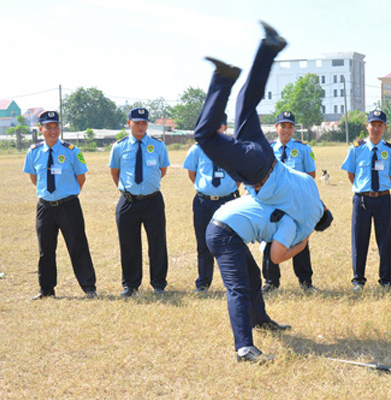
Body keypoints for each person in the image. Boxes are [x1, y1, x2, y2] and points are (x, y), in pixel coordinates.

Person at [193, 21, 332, 363]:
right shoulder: (298, 223)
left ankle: (269, 47)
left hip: (264, 154)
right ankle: (222, 78)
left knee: (247, 100)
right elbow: (277, 256)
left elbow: (295, 180)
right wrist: (303, 240)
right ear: (317, 223)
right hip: (257, 172)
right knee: (205, 137)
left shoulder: (312, 188)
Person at [23, 111, 97, 300]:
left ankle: (89, 287)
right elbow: (35, 178)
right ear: (41, 129)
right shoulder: (33, 152)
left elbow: (81, 178)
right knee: (45, 249)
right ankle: (46, 289)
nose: (53, 130)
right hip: (45, 207)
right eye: (48, 127)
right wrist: (49, 194)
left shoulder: (73, 151)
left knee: (78, 246)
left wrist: (67, 194)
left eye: (56, 126)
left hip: (68, 205)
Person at [109, 107, 171, 296]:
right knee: (129, 244)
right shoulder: (119, 147)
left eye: (144, 123)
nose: (140, 126)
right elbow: (115, 172)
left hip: (153, 201)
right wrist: (128, 190)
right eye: (136, 122)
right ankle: (131, 285)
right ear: (129, 123)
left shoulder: (158, 145)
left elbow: (162, 170)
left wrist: (148, 186)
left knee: (157, 243)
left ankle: (159, 283)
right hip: (129, 202)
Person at [341, 110, 391, 292]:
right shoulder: (356, 148)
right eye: (373, 125)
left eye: (380, 125)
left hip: (383, 198)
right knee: (360, 240)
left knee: (384, 240)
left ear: (384, 127)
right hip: (362, 200)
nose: (376, 128)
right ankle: (358, 280)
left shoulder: (390, 150)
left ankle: (386, 280)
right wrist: (364, 189)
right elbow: (351, 174)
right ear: (367, 126)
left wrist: (378, 190)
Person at [183, 114, 240, 294]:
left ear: (225, 127)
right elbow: (192, 174)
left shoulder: (233, 148)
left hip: (228, 201)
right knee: (203, 244)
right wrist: (208, 190)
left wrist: (228, 190)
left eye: (220, 125)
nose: (216, 129)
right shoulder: (197, 149)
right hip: (204, 202)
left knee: (231, 243)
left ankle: (233, 282)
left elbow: (239, 175)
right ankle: (203, 283)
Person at [261, 110, 317, 293]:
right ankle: (271, 282)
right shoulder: (266, 149)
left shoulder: (303, 149)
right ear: (276, 127)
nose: (286, 130)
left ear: (294, 129)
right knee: (270, 239)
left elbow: (311, 176)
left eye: (290, 126)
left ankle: (305, 282)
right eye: (283, 126)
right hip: (274, 202)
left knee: (300, 238)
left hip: (295, 203)